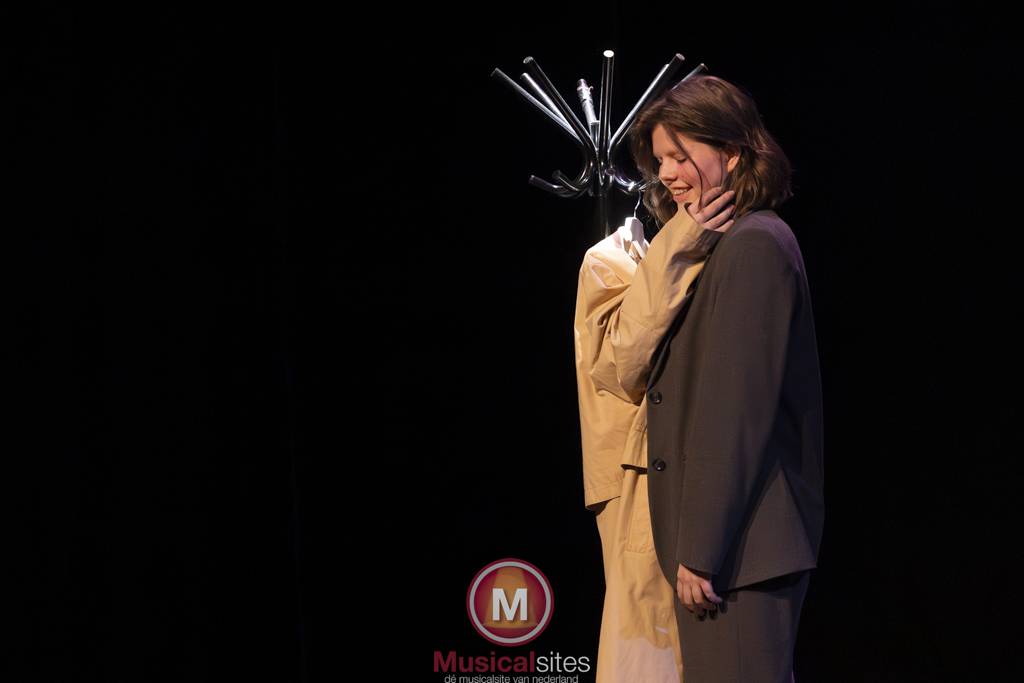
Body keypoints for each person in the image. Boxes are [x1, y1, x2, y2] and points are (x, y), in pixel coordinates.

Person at [627, 74, 826, 682]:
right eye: (659, 160)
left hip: (741, 550)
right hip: (734, 549)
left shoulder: (755, 244)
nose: (667, 173)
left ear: (733, 152)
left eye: (679, 155)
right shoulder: (722, 248)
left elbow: (734, 412)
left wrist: (701, 548)